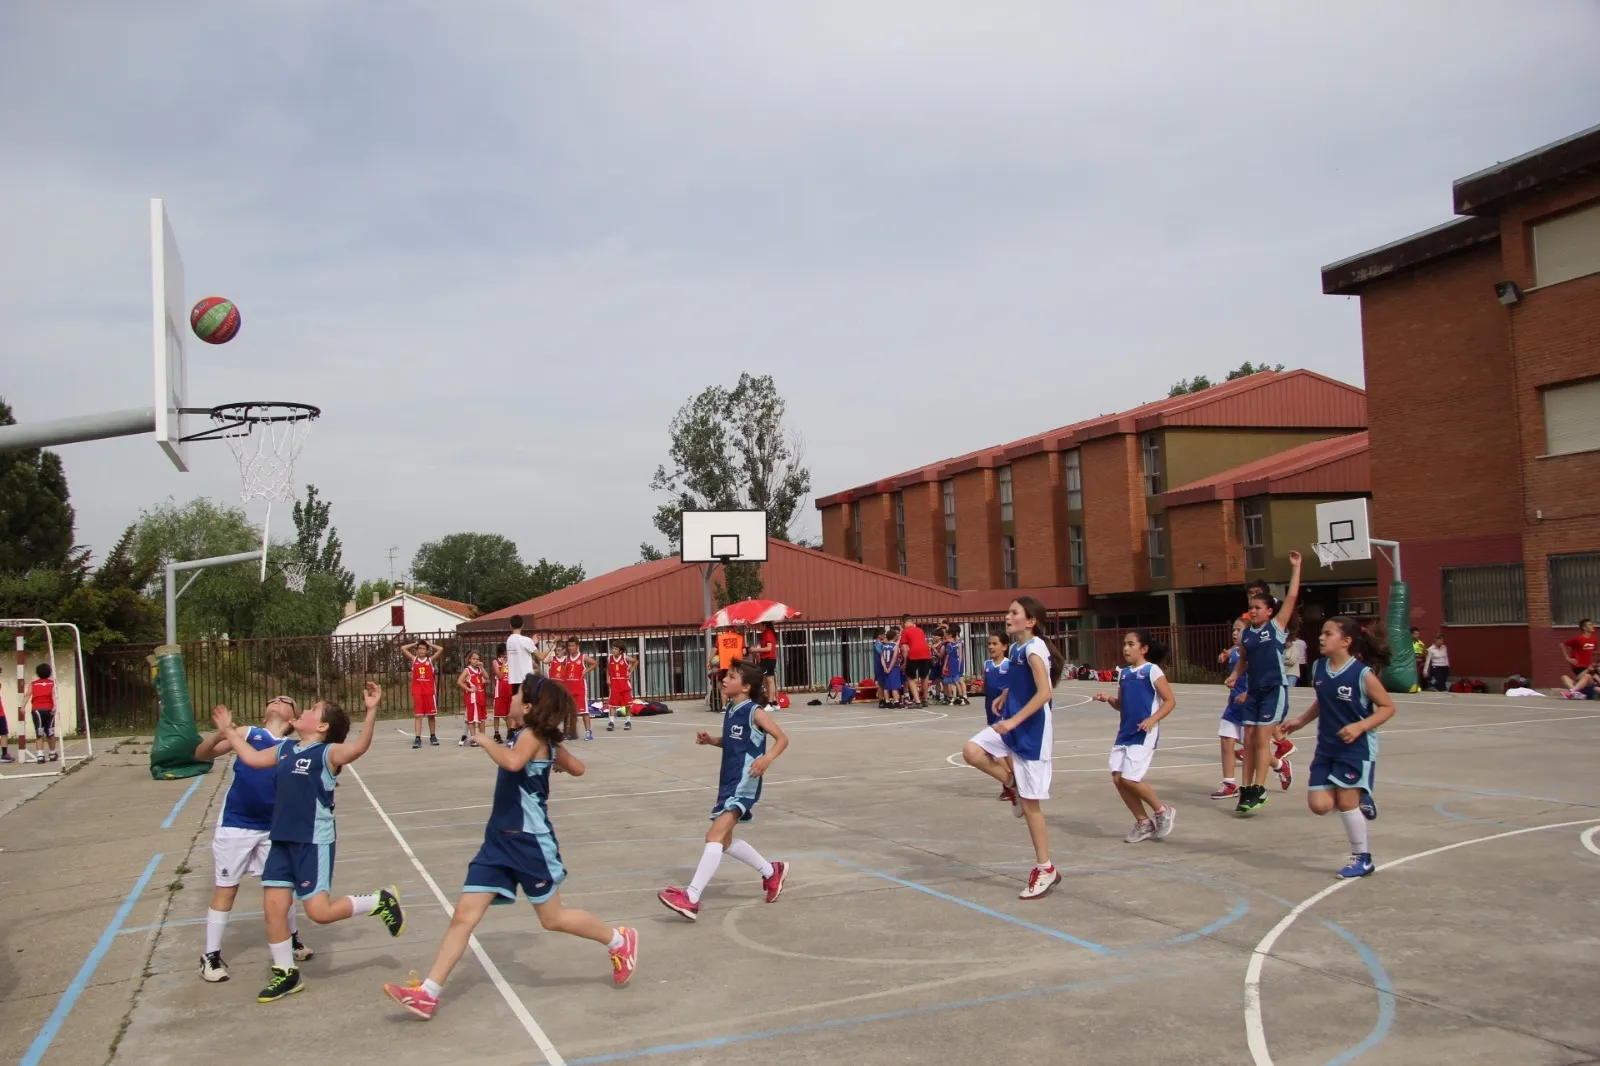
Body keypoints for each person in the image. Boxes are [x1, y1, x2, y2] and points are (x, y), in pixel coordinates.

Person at [383, 677, 639, 1019]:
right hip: (498, 841)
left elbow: (514, 763)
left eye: (517, 695)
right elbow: (577, 768)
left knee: (553, 919)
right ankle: (428, 992)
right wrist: (554, 762)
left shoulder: (532, 737)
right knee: (463, 916)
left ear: (529, 707)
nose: (511, 697)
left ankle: (618, 940)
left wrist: (487, 741)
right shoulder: (535, 738)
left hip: (528, 840)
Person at [211, 682, 405, 1003]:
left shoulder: (327, 753)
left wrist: (371, 710)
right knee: (273, 908)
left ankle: (379, 901)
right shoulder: (285, 749)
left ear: (322, 726)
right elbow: (253, 758)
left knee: (319, 912)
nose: (305, 710)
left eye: (313, 709)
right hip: (282, 840)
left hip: (312, 842)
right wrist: (229, 731)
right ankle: (286, 973)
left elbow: (358, 748)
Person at [658, 662, 791, 920]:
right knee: (725, 842)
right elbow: (732, 743)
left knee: (714, 836)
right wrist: (712, 741)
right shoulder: (730, 708)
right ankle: (771, 871)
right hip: (728, 781)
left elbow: (782, 739)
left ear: (745, 686)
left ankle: (692, 897)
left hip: (745, 782)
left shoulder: (755, 712)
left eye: (731, 677)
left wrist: (767, 759)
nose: (724, 680)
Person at [193, 696, 311, 982]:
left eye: (286, 701)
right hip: (236, 824)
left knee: (281, 888)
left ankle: (292, 938)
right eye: (274, 698)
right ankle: (210, 956)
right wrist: (220, 733)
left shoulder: (293, 748)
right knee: (227, 889)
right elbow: (202, 754)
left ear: (292, 719)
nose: (278, 700)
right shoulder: (248, 733)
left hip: (272, 828)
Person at [1276, 618, 1397, 878]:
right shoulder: (1319, 668)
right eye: (1321, 632)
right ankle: (1360, 795)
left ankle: (1362, 857)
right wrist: (1299, 721)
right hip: (1327, 747)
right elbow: (1322, 702)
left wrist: (1360, 726)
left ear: (1346, 641)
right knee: (1319, 805)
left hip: (1356, 748)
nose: (1321, 637)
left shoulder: (1362, 674)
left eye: (1327, 633)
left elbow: (1388, 707)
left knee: (1345, 802)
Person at [961, 596, 1064, 900]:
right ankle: (1011, 784)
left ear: (1030, 621)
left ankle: (1046, 868)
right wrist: (1006, 694)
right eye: (1008, 611)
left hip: (1032, 732)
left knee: (1032, 808)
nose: (1008, 616)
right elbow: (1024, 683)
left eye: (1014, 612)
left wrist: (1013, 719)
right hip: (1014, 724)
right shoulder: (1018, 647)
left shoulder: (1034, 648)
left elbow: (1044, 693)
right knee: (972, 750)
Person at [1225, 551, 1303, 814]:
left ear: (1270, 611)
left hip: (1273, 689)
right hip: (1254, 691)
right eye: (1252, 607)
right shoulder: (1247, 635)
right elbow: (1244, 660)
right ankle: (1246, 789)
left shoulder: (1276, 627)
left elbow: (1291, 597)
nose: (1254, 611)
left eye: (1259, 608)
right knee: (1247, 740)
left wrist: (1296, 567)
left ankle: (1259, 789)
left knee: (1261, 739)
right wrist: (1236, 675)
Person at [1094, 629, 1177, 843]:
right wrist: (1108, 699)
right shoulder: (1124, 673)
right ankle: (1143, 822)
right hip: (1125, 732)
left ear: (1144, 649)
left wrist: (1152, 719)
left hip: (1143, 733)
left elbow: (1170, 701)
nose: (1125, 648)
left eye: (1131, 644)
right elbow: (1122, 705)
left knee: (1131, 778)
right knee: (1118, 778)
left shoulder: (1152, 670)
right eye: (1124, 644)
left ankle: (1162, 810)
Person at [1213, 620, 1249, 800]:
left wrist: (1248, 693)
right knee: (1226, 739)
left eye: (1239, 630)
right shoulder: (1236, 651)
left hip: (1251, 703)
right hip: (1234, 703)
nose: (1235, 633)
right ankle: (1229, 783)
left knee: (1255, 748)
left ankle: (1280, 764)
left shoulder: (1256, 651)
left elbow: (1265, 676)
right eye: (1233, 629)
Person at [981, 634, 1013, 801]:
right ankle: (1010, 783)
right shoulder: (987, 665)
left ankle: (1010, 784)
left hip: (1004, 713)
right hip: (990, 711)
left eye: (995, 643)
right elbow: (986, 686)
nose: (991, 647)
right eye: (989, 644)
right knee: (998, 751)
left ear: (1005, 646)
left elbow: (1014, 687)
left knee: (999, 751)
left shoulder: (1009, 665)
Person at [402, 638, 443, 749]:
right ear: (417, 650)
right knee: (418, 716)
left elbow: (440, 649)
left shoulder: (430, 660)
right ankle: (417, 738)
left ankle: (433, 736)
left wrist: (429, 644)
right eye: (419, 648)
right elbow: (403, 648)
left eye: (423, 649)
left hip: (429, 692)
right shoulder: (414, 659)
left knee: (431, 716)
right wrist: (416, 643)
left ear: (427, 651)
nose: (421, 650)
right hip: (418, 692)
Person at [28, 662, 60, 763]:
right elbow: (54, 695)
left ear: (37, 673)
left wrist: (22, 706)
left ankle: (40, 756)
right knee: (50, 733)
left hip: (37, 710)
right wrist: (55, 706)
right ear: (49, 673)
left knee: (39, 733)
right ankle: (52, 754)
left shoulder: (33, 684)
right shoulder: (52, 683)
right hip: (49, 709)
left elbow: (27, 695)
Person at [457, 651, 489, 748]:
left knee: (482, 718)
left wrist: (482, 667)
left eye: (478, 659)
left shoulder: (479, 669)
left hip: (481, 696)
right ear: (470, 659)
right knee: (472, 719)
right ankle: (473, 738)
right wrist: (469, 689)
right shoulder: (467, 670)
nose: (476, 661)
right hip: (472, 698)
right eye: (474, 659)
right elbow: (459, 681)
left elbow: (487, 677)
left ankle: (483, 738)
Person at [899, 615, 933, 707]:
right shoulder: (920, 630)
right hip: (926, 654)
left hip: (914, 654)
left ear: (904, 623)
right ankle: (925, 699)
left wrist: (905, 662)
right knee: (924, 676)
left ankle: (917, 701)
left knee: (910, 677)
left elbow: (905, 648)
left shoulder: (905, 631)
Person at [605, 642, 637, 732]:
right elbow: (608, 668)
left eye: (616, 649)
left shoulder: (625, 657)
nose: (613, 650)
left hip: (624, 683)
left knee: (627, 704)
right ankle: (611, 722)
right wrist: (608, 678)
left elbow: (635, 661)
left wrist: (630, 672)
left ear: (620, 651)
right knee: (613, 704)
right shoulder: (609, 658)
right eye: (613, 648)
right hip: (614, 684)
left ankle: (628, 722)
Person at [491, 643, 513, 745]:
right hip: (499, 690)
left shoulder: (511, 662)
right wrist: (503, 664)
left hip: (509, 690)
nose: (505, 655)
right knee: (497, 714)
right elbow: (499, 676)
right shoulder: (496, 662)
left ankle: (510, 731)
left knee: (509, 713)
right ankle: (496, 733)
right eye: (504, 653)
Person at [756, 622, 779, 710]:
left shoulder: (768, 633)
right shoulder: (764, 634)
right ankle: (774, 702)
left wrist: (755, 649)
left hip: (768, 659)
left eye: (759, 624)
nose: (758, 626)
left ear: (764, 625)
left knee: (770, 680)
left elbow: (768, 648)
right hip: (765, 659)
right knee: (766, 681)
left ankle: (770, 703)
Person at [942, 628, 968, 706]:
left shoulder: (949, 645)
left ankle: (953, 698)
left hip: (952, 663)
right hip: (957, 663)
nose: (945, 635)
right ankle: (961, 698)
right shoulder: (958, 644)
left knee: (951, 681)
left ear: (950, 635)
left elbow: (947, 656)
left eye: (947, 634)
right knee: (957, 681)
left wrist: (944, 666)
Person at [881, 628, 905, 708]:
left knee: (886, 686)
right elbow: (894, 658)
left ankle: (887, 702)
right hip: (893, 668)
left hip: (886, 667)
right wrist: (890, 668)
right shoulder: (895, 646)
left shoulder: (884, 647)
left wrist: (885, 667)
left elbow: (882, 658)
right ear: (895, 637)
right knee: (894, 685)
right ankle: (896, 701)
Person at [1283, 621, 1307, 688]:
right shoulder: (1284, 649)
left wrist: (1282, 662)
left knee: (1290, 689)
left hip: (1292, 673)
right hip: (1285, 672)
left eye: (1287, 641)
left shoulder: (1294, 649)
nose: (1286, 643)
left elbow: (1292, 661)